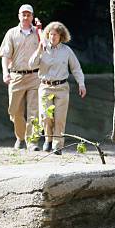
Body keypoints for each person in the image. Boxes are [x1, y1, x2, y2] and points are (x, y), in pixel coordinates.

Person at [29, 21, 86, 154]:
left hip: (62, 87)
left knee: (60, 118)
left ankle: (57, 145)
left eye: (56, 34)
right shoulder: (42, 49)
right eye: (51, 34)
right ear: (47, 35)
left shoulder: (67, 51)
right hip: (45, 86)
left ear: (61, 36)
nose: (53, 37)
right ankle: (48, 140)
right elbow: (31, 65)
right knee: (45, 116)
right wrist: (38, 50)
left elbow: (76, 68)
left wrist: (81, 83)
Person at [0, 4, 41, 151]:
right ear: (19, 16)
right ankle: (20, 137)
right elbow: (5, 56)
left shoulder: (38, 33)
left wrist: (41, 30)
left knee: (34, 111)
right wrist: (5, 72)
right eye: (23, 14)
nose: (26, 16)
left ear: (32, 16)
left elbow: (47, 50)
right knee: (15, 111)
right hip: (16, 76)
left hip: (35, 76)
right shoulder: (11, 33)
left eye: (29, 14)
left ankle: (32, 142)